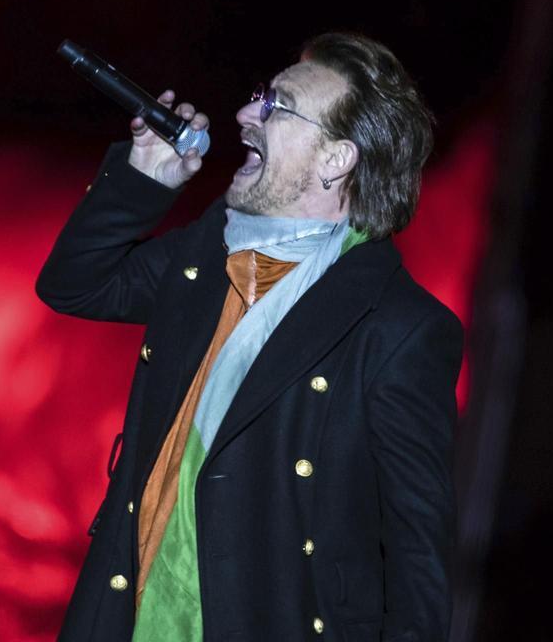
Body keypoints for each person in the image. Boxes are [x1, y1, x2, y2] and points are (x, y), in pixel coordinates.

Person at [37, 32, 463, 641]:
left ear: (336, 160)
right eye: (262, 96)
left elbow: (417, 559)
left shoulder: (397, 329)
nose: (245, 113)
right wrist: (142, 179)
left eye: (276, 107)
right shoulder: (209, 255)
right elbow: (74, 285)